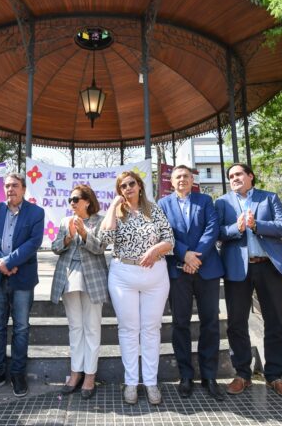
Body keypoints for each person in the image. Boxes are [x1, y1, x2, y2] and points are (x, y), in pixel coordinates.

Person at [215, 163, 282, 400]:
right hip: (237, 270)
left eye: (239, 174)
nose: (234, 179)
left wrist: (256, 225)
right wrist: (236, 228)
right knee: (236, 323)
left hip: (268, 267)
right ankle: (242, 374)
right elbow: (218, 233)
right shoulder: (222, 202)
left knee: (275, 322)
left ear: (250, 176)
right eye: (231, 176)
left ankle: (275, 376)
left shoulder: (269, 198)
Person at [101, 171, 174, 405]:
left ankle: (151, 383)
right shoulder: (117, 212)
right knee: (129, 329)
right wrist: (113, 205)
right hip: (123, 275)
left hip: (155, 276)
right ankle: (131, 382)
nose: (128, 188)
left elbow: (169, 239)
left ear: (140, 186)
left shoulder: (154, 209)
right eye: (122, 186)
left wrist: (155, 250)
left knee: (151, 329)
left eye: (132, 183)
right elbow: (104, 238)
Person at [157, 165, 224, 400]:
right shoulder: (162, 205)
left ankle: (209, 376)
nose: (182, 179)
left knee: (210, 323)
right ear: (171, 182)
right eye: (178, 177)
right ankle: (186, 375)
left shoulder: (205, 200)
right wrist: (184, 254)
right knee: (180, 324)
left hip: (207, 268)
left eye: (186, 176)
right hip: (178, 271)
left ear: (192, 179)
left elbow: (212, 229)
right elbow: (164, 234)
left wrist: (196, 257)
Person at [0, 173, 45, 398]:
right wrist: (1, 263)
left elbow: (33, 242)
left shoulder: (36, 212)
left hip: (22, 279)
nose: (10, 189)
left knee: (21, 327)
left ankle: (17, 373)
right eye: (7, 186)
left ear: (24, 189)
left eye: (15, 186)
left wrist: (10, 261)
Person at [50, 184, 107, 399]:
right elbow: (55, 248)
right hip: (68, 278)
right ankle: (75, 373)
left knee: (92, 327)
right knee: (75, 327)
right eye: (70, 200)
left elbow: (100, 248)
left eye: (76, 199)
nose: (72, 203)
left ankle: (90, 375)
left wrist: (84, 234)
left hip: (92, 279)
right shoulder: (65, 221)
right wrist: (67, 237)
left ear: (87, 201)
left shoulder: (100, 221)